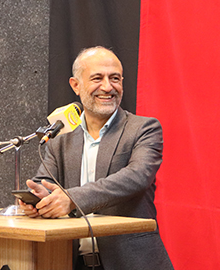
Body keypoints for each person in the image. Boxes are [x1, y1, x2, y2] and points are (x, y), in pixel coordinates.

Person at [19, 46, 174, 270]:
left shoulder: (144, 129)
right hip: (71, 262)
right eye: (97, 78)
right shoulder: (60, 141)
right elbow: (44, 183)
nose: (108, 87)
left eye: (115, 78)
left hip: (132, 263)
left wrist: (71, 199)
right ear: (76, 85)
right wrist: (39, 200)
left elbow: (137, 176)